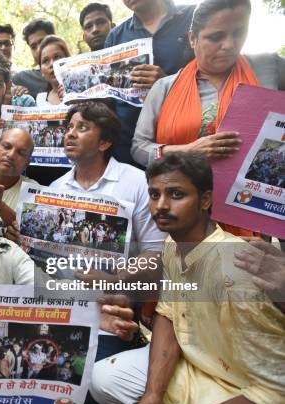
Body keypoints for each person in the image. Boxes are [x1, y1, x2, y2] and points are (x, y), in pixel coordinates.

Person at [90, 152, 285, 404]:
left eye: (176, 194)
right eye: (154, 195)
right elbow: (168, 314)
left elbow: (275, 387)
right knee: (105, 378)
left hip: (245, 385)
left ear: (205, 200)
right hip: (198, 365)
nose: (160, 205)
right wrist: (153, 395)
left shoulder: (236, 268)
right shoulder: (173, 244)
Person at [132, 0, 285, 167]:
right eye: (216, 37)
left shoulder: (270, 67)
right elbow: (139, 148)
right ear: (193, 39)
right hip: (185, 188)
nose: (229, 45)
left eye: (239, 33)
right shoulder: (164, 88)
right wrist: (188, 151)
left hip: (252, 189)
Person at [50, 102, 165, 277]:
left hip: (117, 300)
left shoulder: (138, 183)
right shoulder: (55, 188)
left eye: (82, 128)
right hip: (60, 299)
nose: (70, 134)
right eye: (69, 127)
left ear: (104, 143)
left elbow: (156, 251)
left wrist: (116, 280)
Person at [104, 0, 195, 165]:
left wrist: (166, 84)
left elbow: (212, 75)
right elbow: (107, 94)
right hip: (128, 149)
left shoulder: (193, 17)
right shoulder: (115, 36)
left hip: (184, 143)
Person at [12, 19, 55, 99]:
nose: (39, 49)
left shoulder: (75, 71)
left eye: (43, 42)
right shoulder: (22, 79)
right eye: (33, 47)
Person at [36, 35, 71, 106]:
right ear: (41, 71)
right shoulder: (40, 100)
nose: (52, 64)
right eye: (45, 61)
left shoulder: (85, 92)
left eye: (57, 57)